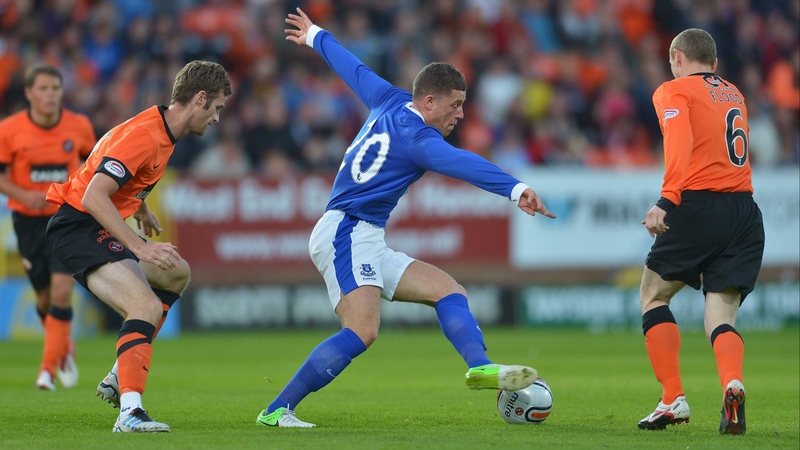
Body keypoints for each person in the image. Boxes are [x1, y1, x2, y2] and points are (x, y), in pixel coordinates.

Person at [255, 8, 556, 428]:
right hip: (347, 230)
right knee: (362, 331)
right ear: (429, 101)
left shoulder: (390, 98)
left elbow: (352, 67)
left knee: (448, 290)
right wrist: (517, 189)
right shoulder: (419, 140)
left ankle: (480, 366)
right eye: (455, 105)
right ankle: (275, 411)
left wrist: (315, 36)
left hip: (364, 234)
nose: (460, 115)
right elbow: (463, 163)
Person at [45, 60, 231, 433]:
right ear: (199, 99)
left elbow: (114, 171)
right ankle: (129, 412)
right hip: (78, 226)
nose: (216, 119)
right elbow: (97, 194)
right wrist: (138, 246)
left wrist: (139, 205)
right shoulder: (146, 135)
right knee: (143, 304)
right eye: (216, 109)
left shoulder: (163, 129)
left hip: (94, 222)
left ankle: (120, 373)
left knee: (176, 272)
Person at [636, 29, 763, 435]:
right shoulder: (733, 92)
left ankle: (672, 398)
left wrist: (666, 200)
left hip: (697, 205)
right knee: (721, 314)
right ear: (715, 64)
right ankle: (731, 383)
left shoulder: (674, 91)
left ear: (676, 56)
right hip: (744, 211)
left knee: (653, 294)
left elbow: (679, 142)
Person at [0, 65, 96, 391]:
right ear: (29, 93)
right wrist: (22, 193)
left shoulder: (79, 126)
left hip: (64, 219)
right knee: (43, 299)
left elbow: (96, 166)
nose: (50, 94)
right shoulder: (9, 130)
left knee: (60, 290)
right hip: (26, 221)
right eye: (43, 88)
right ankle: (64, 346)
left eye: (55, 87)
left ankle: (46, 371)